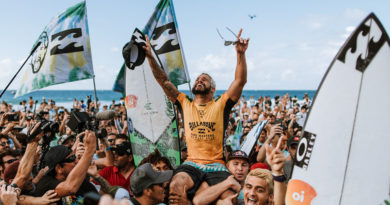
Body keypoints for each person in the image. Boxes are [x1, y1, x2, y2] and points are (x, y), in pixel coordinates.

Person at [143, 28, 249, 203]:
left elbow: (240, 81)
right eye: (198, 79)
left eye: (204, 79)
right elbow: (163, 80)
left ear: (212, 89)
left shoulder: (221, 104)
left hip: (216, 165)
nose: (199, 80)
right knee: (175, 187)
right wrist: (149, 57)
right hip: (191, 164)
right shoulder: (185, 103)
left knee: (231, 199)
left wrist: (240, 54)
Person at [32, 131, 97, 204]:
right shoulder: (46, 185)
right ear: (59, 168)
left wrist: (96, 176)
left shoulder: (80, 181)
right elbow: (70, 188)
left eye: (74, 156)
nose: (76, 161)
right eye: (72, 158)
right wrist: (89, 150)